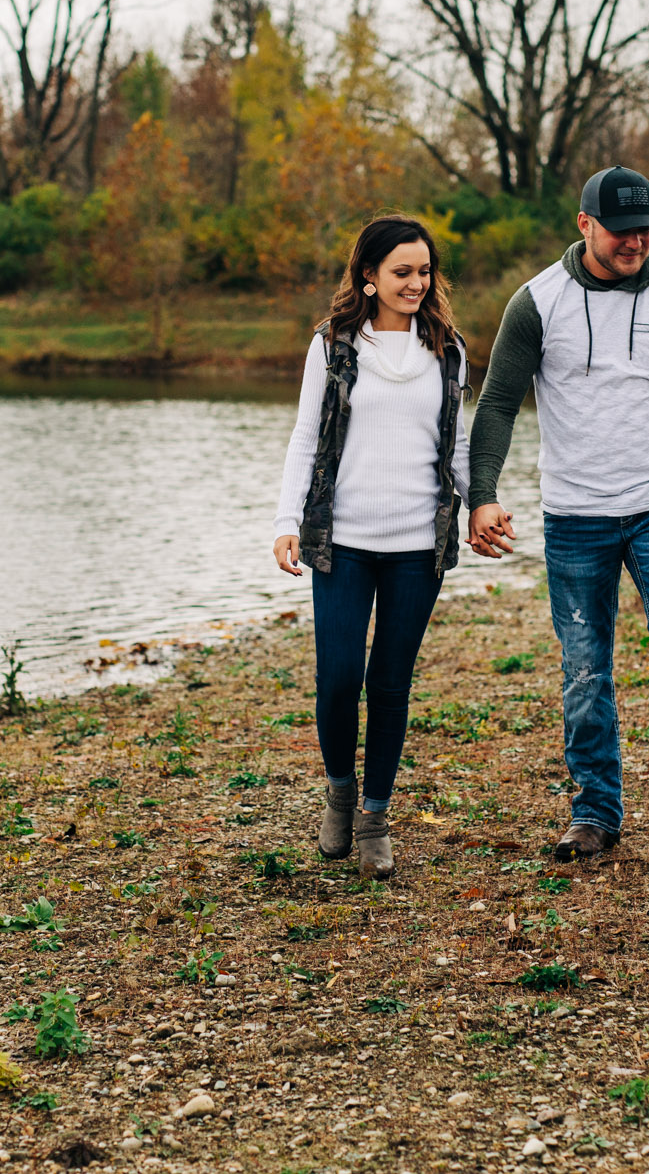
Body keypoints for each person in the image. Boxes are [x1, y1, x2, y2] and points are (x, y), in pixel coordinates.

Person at [465, 166, 649, 862]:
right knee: (586, 667)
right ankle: (595, 811)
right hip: (574, 516)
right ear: (584, 223)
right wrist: (482, 493)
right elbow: (498, 402)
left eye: (647, 229)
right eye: (623, 230)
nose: (637, 242)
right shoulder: (537, 301)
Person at [272, 214, 470, 880]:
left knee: (390, 682)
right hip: (344, 541)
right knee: (338, 680)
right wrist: (285, 520)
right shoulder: (332, 347)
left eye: (424, 271)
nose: (417, 283)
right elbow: (306, 436)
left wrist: (482, 507)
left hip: (419, 543)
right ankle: (338, 791)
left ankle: (376, 817)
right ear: (369, 276)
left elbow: (457, 441)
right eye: (402, 272)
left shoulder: (448, 348)